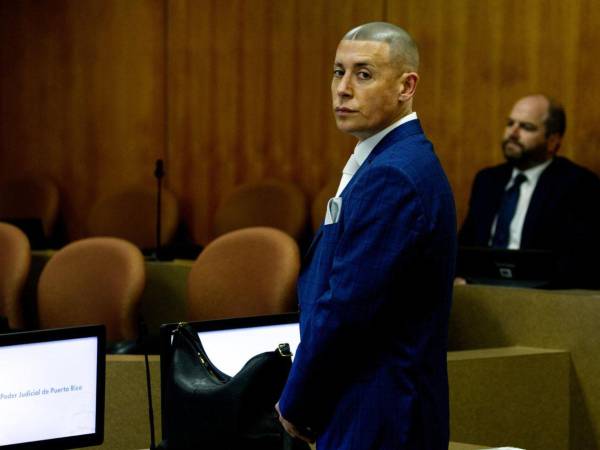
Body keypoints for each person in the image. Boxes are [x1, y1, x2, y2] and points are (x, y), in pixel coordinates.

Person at [275, 22, 457, 449]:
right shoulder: (392, 161)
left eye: (364, 74)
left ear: (406, 86)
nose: (343, 89)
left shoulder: (393, 175)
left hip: (379, 415)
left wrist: (297, 402)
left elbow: (347, 308)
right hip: (373, 407)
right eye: (338, 72)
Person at [458, 94, 600, 288]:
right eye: (510, 123)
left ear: (553, 141)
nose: (513, 133)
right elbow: (465, 245)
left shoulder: (578, 185)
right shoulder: (488, 181)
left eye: (526, 127)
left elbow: (579, 260)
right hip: (481, 290)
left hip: (540, 295)